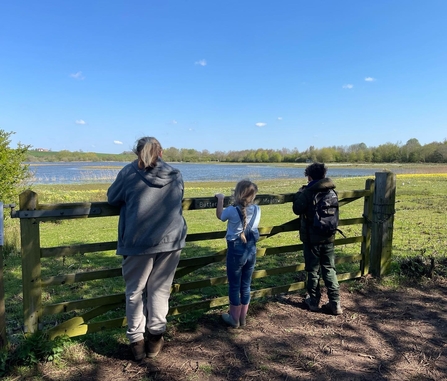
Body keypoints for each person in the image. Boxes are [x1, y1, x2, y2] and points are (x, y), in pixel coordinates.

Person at [107, 136, 187, 361]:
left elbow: (112, 198)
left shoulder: (129, 173)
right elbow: (179, 198)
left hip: (138, 241)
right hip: (171, 240)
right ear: (161, 153)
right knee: (160, 290)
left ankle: (137, 343)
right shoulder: (175, 174)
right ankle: (155, 339)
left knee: (135, 292)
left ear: (136, 152)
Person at [292, 162, 342, 315]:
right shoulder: (332, 191)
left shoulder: (308, 192)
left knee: (313, 270)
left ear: (310, 176)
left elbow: (296, 209)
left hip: (312, 238)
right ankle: (335, 302)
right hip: (329, 236)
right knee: (329, 268)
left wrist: (299, 193)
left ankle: (313, 301)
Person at [215, 180, 261, 328]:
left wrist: (221, 199)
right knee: (246, 284)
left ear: (237, 193)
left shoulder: (232, 210)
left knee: (234, 285)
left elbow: (220, 216)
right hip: (251, 250)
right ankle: (242, 318)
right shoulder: (257, 209)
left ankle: (234, 319)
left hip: (236, 250)